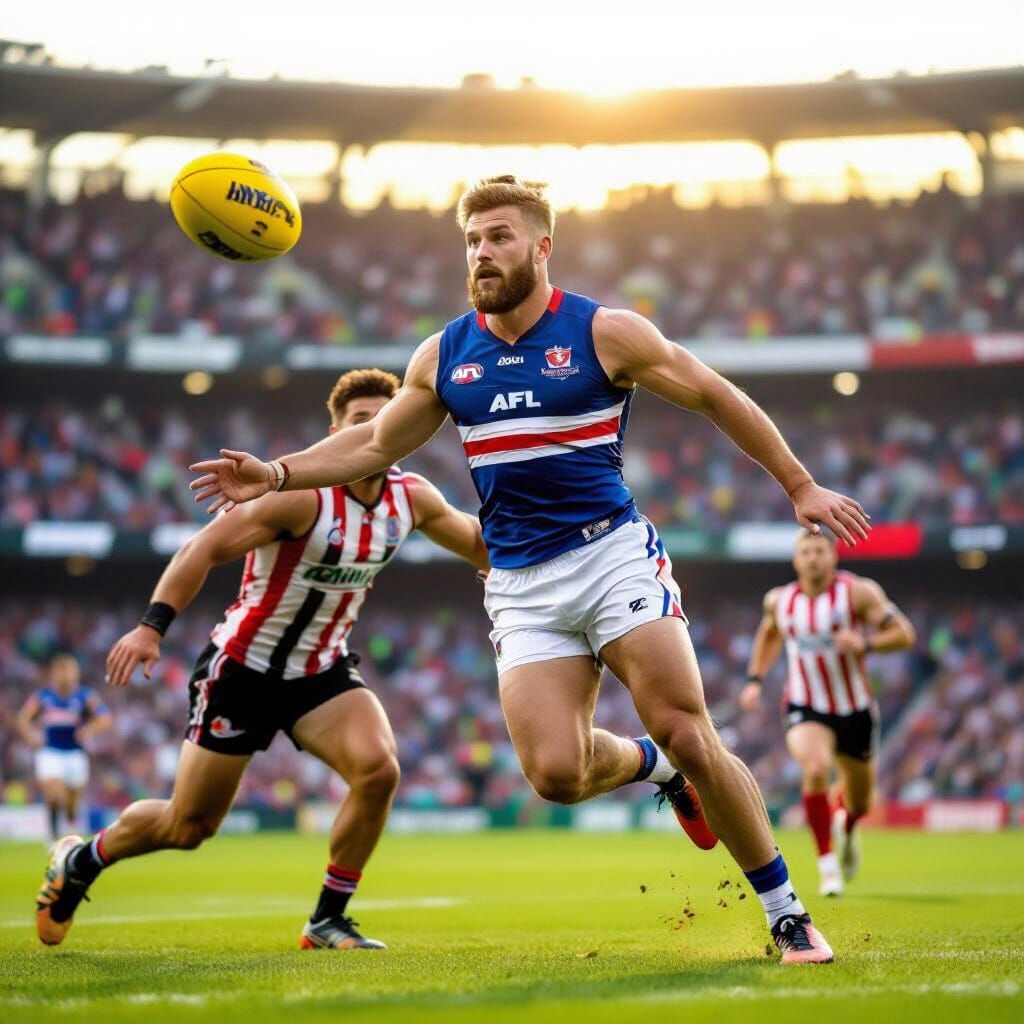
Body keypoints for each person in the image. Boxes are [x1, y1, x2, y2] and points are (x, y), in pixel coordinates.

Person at [188, 176, 873, 964]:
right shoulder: (444, 353)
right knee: (555, 774)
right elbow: (374, 447)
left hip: (610, 552)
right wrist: (277, 473)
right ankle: (651, 768)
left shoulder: (603, 331)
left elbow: (715, 395)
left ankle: (787, 915)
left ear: (542, 246)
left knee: (686, 728)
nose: (482, 252)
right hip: (519, 581)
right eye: (473, 240)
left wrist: (799, 484)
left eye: (500, 237)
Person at [35, 369, 489, 951]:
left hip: (321, 672)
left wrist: (520, 567)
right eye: (360, 421)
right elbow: (204, 547)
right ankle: (81, 860)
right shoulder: (301, 496)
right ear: (335, 432)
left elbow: (477, 540)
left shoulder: (413, 497)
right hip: (242, 670)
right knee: (188, 826)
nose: (375, 429)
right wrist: (152, 628)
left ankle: (328, 919)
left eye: (384, 419)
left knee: (379, 769)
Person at [739, 530, 915, 896]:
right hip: (806, 704)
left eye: (820, 551)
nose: (813, 558)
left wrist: (865, 643)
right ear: (796, 560)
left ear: (833, 557)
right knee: (816, 767)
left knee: (860, 800)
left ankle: (847, 827)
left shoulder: (858, 593)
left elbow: (904, 634)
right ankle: (827, 865)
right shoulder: (780, 601)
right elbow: (769, 635)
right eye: (806, 551)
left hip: (855, 709)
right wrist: (755, 679)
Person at [16, 653, 113, 844]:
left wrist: (89, 729)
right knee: (54, 794)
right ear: (54, 674)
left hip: (75, 754)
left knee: (71, 804)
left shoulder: (85, 696)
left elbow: (105, 719)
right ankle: (52, 838)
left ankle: (70, 817)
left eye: (69, 671)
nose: (66, 675)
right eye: (61, 671)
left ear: (76, 674)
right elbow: (23, 718)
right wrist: (30, 735)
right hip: (51, 753)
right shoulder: (43, 696)